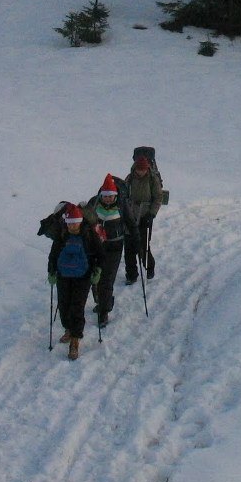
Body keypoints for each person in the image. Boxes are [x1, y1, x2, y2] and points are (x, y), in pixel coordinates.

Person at [48, 202, 103, 360]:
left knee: (77, 307)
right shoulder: (62, 234)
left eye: (76, 223)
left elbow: (100, 254)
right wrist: (51, 271)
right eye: (70, 223)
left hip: (83, 276)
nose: (73, 226)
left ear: (80, 221)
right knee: (64, 306)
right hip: (63, 276)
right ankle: (69, 329)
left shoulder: (88, 233)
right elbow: (54, 254)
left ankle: (75, 340)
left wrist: (97, 270)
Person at [83, 173, 128, 328]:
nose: (108, 198)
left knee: (107, 280)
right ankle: (102, 302)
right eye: (105, 196)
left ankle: (104, 312)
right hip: (97, 246)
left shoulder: (122, 205)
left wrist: (135, 242)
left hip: (115, 246)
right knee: (96, 277)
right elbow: (85, 221)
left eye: (111, 196)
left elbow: (131, 224)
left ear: (115, 195)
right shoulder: (94, 204)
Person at [124, 154, 163, 284]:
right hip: (130, 215)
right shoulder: (129, 178)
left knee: (143, 244)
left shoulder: (153, 179)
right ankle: (131, 274)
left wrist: (151, 214)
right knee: (129, 246)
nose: (141, 172)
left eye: (143, 169)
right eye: (139, 169)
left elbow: (158, 198)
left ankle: (149, 267)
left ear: (147, 168)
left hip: (145, 216)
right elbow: (124, 195)